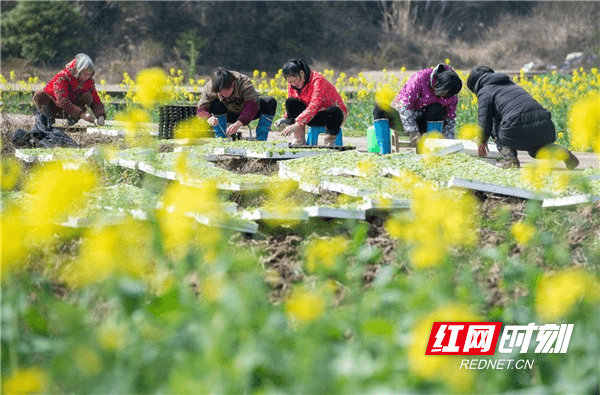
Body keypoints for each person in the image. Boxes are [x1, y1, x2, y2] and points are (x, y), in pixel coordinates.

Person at [467, 66, 579, 169]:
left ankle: (511, 161)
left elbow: (484, 121)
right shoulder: (510, 84)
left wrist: (481, 141)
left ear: (474, 85)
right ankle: (564, 154)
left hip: (518, 125)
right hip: (546, 125)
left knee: (495, 131)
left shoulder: (485, 91)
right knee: (537, 151)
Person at [373, 64, 462, 153]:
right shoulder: (420, 79)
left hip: (427, 123)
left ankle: (433, 151)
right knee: (379, 108)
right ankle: (384, 152)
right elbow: (405, 106)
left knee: (436, 107)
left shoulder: (451, 92)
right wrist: (413, 132)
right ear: (438, 86)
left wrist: (449, 144)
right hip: (403, 120)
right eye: (445, 95)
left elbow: (449, 119)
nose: (446, 98)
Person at [275, 59, 347, 146]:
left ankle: (331, 141)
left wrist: (298, 123)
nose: (293, 84)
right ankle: (298, 140)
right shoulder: (292, 84)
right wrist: (285, 119)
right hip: (311, 116)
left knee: (333, 111)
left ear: (302, 73)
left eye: (295, 81)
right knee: (291, 102)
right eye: (290, 82)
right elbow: (292, 102)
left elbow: (315, 105)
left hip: (331, 116)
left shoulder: (318, 80)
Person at [197, 68, 276, 141]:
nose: (225, 93)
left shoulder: (244, 82)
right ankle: (221, 138)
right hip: (225, 115)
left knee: (270, 102)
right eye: (221, 92)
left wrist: (239, 123)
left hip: (246, 113)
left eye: (227, 90)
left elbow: (252, 105)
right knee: (216, 104)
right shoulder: (210, 87)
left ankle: (261, 139)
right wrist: (208, 118)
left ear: (232, 84)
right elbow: (201, 109)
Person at [33, 53, 106, 127]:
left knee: (88, 96)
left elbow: (95, 99)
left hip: (71, 111)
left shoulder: (89, 81)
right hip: (53, 106)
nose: (87, 77)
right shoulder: (62, 77)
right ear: (78, 71)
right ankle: (48, 120)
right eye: (85, 73)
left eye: (89, 74)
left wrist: (100, 115)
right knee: (40, 95)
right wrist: (82, 115)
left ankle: (72, 120)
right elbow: (62, 100)